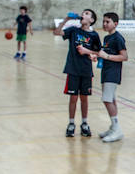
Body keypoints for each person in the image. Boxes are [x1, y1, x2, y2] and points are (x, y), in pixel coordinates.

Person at [54, 9, 101, 137]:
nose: (83, 14)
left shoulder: (94, 35)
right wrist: (66, 20)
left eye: (86, 13)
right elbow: (57, 32)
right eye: (83, 13)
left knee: (84, 98)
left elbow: (98, 52)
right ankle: (71, 123)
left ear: (91, 20)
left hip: (86, 70)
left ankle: (84, 123)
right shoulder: (74, 30)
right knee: (73, 98)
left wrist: (90, 54)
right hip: (73, 69)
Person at [97, 12, 128, 143]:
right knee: (111, 99)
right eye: (103, 21)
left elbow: (124, 56)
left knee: (106, 99)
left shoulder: (118, 38)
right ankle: (113, 127)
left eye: (107, 22)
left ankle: (117, 129)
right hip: (105, 71)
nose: (104, 24)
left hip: (113, 73)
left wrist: (108, 57)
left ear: (115, 24)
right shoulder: (106, 38)